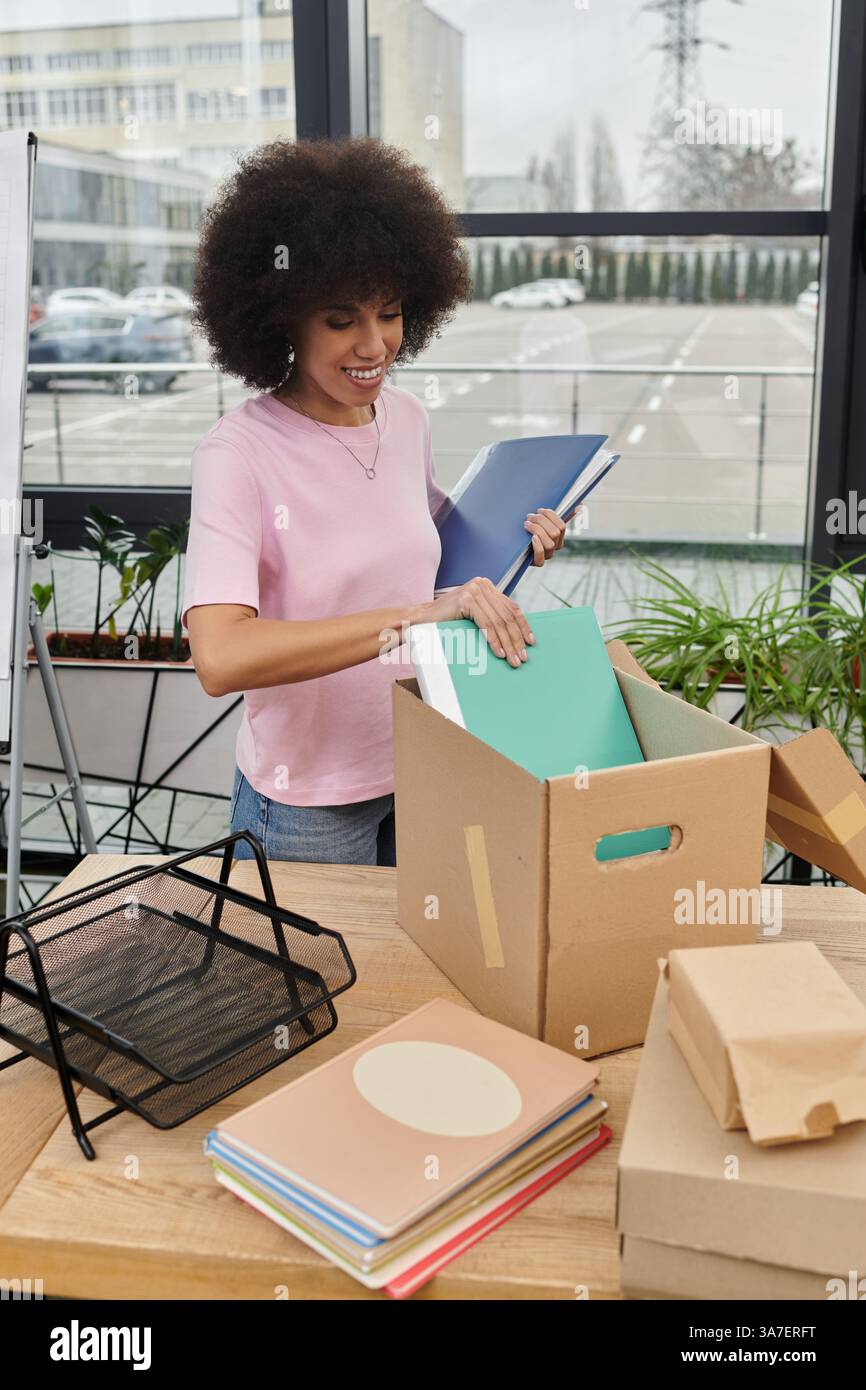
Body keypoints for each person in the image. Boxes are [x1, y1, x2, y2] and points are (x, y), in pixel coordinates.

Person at [182, 136, 567, 868]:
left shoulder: (407, 418)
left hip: (421, 763)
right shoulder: (238, 454)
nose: (374, 345)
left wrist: (524, 537)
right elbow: (221, 656)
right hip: (305, 804)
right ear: (279, 319)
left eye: (388, 314)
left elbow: (432, 553)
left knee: (409, 978)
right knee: (311, 988)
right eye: (339, 320)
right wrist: (414, 618)